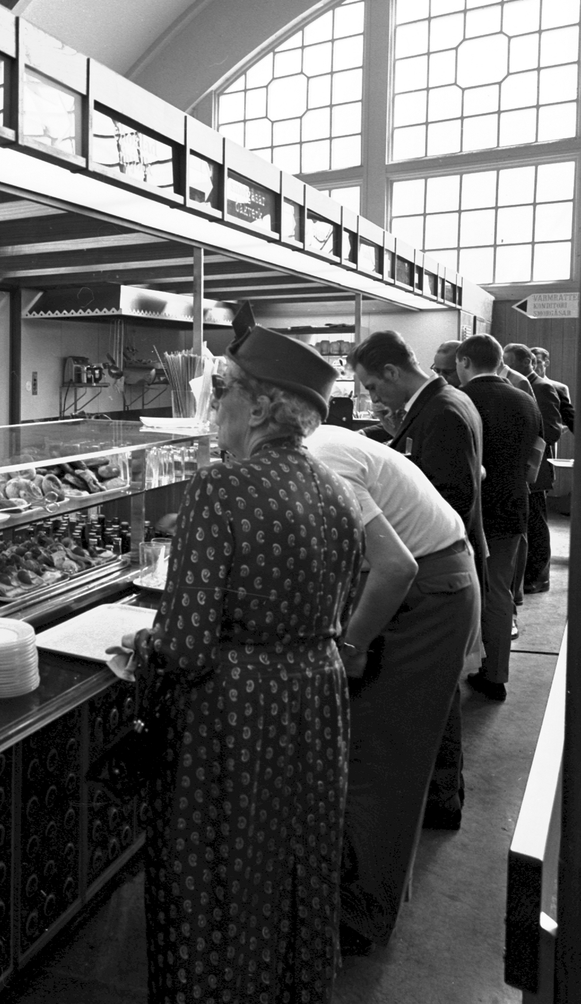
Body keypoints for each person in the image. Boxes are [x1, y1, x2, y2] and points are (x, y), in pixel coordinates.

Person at [125, 319, 364, 1002]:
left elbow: (186, 646)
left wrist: (144, 645)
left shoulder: (221, 490)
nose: (216, 406)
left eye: (224, 391)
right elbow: (340, 602)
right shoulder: (337, 492)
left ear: (258, 408)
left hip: (232, 714)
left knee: (218, 869)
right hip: (314, 701)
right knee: (294, 858)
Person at [306, 424, 478, 955]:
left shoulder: (322, 460)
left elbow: (396, 566)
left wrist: (351, 645)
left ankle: (357, 917)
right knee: (414, 732)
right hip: (440, 575)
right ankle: (438, 809)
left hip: (426, 590)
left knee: (378, 755)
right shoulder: (320, 443)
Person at [348, 329, 484, 830]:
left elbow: (452, 493)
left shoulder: (442, 411)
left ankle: (439, 798)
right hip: (444, 562)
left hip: (437, 570)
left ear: (391, 371)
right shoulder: (442, 402)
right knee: (437, 692)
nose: (372, 396)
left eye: (371, 385)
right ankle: (440, 794)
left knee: (430, 697)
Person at [456, 335, 542, 702]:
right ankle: (495, 671)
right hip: (515, 504)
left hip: (478, 510)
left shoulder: (462, 399)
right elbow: (536, 453)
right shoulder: (525, 399)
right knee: (500, 591)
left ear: (464, 361)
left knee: (476, 594)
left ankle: (484, 673)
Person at [504, 342, 565, 594]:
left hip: (536, 468)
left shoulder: (541, 387)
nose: (505, 368)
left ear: (526, 362)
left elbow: (552, 431)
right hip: (524, 466)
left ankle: (540, 577)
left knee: (537, 525)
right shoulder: (517, 385)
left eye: (508, 363)